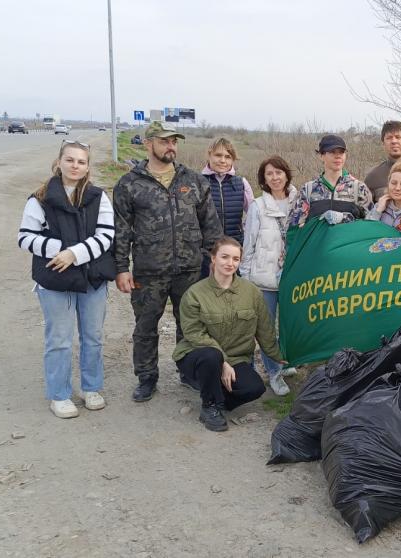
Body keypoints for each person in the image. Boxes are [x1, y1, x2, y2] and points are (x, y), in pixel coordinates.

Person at [112, 121, 223, 403]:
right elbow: (122, 229)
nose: (171, 146)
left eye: (174, 141)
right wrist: (122, 268)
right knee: (146, 327)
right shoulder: (130, 184)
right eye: (164, 141)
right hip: (149, 271)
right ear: (148, 144)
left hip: (189, 268)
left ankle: (188, 372)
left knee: (189, 325)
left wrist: (214, 262)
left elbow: (210, 225)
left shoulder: (194, 181)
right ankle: (147, 377)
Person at [18, 140, 115, 418]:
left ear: (87, 167)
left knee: (93, 336)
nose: (75, 166)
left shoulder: (99, 197)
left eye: (81, 161)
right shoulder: (40, 198)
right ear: (59, 162)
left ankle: (91, 388)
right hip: (54, 279)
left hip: (91, 278)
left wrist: (74, 254)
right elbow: (25, 237)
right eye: (70, 160)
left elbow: (107, 236)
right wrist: (55, 251)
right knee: (59, 338)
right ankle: (59, 394)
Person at [174, 237, 286, 432]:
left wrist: (281, 357)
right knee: (212, 356)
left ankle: (217, 396)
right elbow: (194, 334)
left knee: (255, 388)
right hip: (198, 355)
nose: (230, 263)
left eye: (235, 259)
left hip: (236, 359)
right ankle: (210, 407)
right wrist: (223, 362)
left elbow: (264, 330)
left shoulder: (251, 292)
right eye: (225, 257)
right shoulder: (194, 294)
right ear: (213, 258)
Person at [240, 156, 299, 396]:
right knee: (265, 328)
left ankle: (286, 364)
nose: (275, 177)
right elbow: (249, 242)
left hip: (294, 276)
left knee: (289, 326)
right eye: (269, 174)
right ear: (263, 179)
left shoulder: (300, 202)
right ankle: (273, 372)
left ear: (286, 174)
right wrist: (245, 275)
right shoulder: (257, 206)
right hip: (264, 278)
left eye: (278, 172)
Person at [288, 134, 373, 228]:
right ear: (321, 156)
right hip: (319, 242)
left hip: (349, 242)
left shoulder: (358, 188)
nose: (338, 156)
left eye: (341, 152)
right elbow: (294, 228)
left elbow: (371, 225)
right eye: (332, 152)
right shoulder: (308, 190)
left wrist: (345, 218)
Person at [199, 137, 254, 279]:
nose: (223, 161)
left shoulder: (241, 183)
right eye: (218, 155)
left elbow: (254, 216)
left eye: (228, 157)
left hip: (234, 252)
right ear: (209, 155)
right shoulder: (197, 182)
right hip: (205, 254)